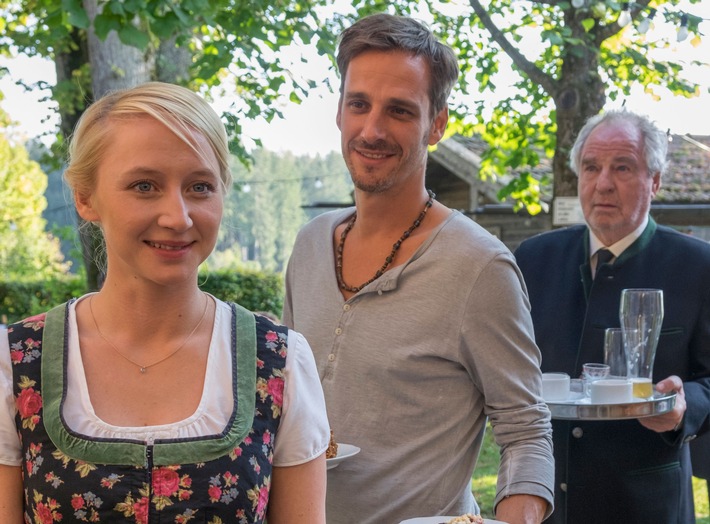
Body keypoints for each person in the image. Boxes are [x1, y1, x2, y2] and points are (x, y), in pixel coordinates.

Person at [0, 82, 329, 522]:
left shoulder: (279, 362)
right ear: (85, 197)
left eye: (199, 187)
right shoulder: (18, 362)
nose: (178, 217)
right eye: (144, 185)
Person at [282, 13, 554, 524]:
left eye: (400, 111)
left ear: (437, 124)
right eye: (358, 104)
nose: (372, 129)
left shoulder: (480, 267)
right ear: (339, 112)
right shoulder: (310, 244)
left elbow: (525, 432)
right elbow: (290, 402)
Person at [514, 109, 710, 524]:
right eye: (591, 167)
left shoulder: (698, 266)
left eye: (622, 167)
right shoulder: (532, 260)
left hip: (646, 505)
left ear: (654, 181)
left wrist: (683, 405)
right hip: (542, 503)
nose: (603, 183)